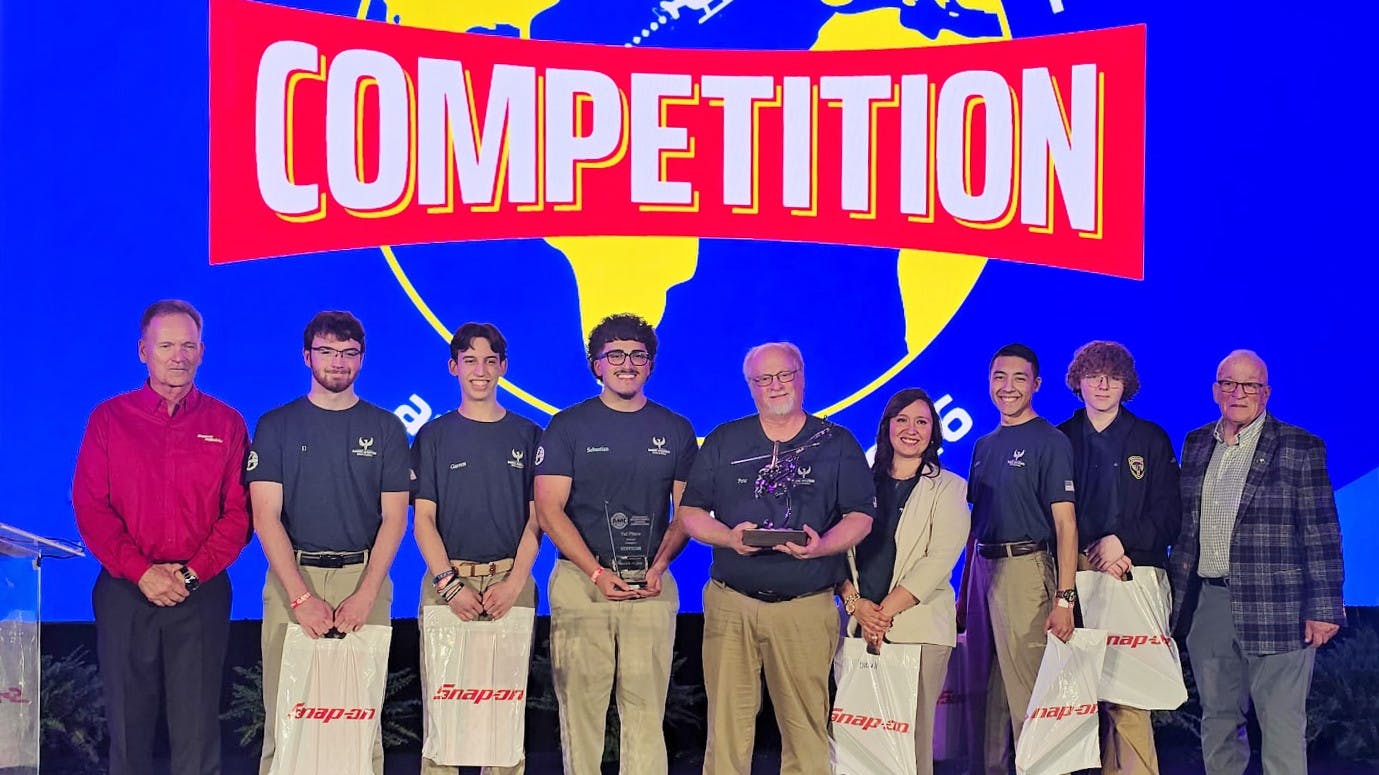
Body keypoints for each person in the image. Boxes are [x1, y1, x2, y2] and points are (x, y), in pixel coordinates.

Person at [679, 342, 875, 775]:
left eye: (784, 375)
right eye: (764, 379)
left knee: (806, 734)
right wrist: (729, 538)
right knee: (726, 731)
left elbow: (861, 516)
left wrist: (821, 546)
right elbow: (690, 513)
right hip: (732, 604)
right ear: (750, 387)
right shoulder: (725, 439)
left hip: (805, 608)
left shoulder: (837, 443)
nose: (775, 386)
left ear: (802, 377)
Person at [73, 299, 251, 775]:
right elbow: (91, 508)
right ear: (142, 351)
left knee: (197, 734)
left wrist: (190, 574)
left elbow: (239, 514)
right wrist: (142, 572)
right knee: (128, 733)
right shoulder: (109, 420)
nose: (178, 355)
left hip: (202, 593)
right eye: (166, 345)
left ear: (202, 352)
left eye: (188, 346)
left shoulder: (227, 423)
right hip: (125, 592)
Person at [533, 313, 698, 775]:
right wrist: (596, 573)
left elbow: (686, 512)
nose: (627, 364)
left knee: (646, 713)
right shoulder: (567, 426)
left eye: (638, 356)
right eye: (615, 355)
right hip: (582, 582)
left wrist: (660, 564)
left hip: (651, 582)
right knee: (581, 713)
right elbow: (549, 509)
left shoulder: (677, 429)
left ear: (650, 365)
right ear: (596, 365)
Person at [246, 311, 411, 775]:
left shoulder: (386, 428)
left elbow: (394, 519)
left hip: (365, 577)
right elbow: (265, 516)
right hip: (292, 578)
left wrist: (366, 594)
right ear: (306, 357)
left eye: (348, 353)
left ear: (361, 359)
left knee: (361, 719)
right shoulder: (277, 425)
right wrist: (300, 598)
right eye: (327, 352)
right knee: (287, 716)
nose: (338, 363)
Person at [1169, 349, 1344, 775]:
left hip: (1279, 609)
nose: (1238, 393)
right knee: (1218, 724)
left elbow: (1322, 532)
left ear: (1266, 393)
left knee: (1282, 728)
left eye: (1250, 385)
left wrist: (1323, 609)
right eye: (1229, 383)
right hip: (1208, 605)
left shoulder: (1301, 447)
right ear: (1215, 391)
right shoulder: (1195, 444)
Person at [412, 322, 542, 775]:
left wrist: (514, 583)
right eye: (470, 361)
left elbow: (537, 520)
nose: (480, 371)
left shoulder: (529, 435)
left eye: (490, 361)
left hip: (511, 584)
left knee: (503, 719)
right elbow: (423, 520)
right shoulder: (433, 436)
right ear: (453, 368)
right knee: (444, 716)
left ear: (503, 368)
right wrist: (449, 586)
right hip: (450, 585)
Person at [1057, 340, 1181, 775]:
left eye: (1112, 375)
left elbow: (1169, 515)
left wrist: (1121, 544)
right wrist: (1095, 553)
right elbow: (1053, 512)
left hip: (1135, 574)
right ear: (1079, 382)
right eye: (1093, 375)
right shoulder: (1062, 438)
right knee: (1081, 696)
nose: (1103, 384)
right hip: (1075, 577)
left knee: (1130, 700)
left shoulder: (1150, 437)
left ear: (1126, 381)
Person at [960, 343, 1078, 775]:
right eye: (999, 377)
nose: (1007, 387)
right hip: (982, 573)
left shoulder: (1051, 441)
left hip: (1026, 570)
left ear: (1036, 385)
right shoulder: (984, 445)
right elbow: (976, 524)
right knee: (985, 694)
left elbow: (1066, 526)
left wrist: (1064, 599)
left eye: (1018, 378)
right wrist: (963, 593)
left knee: (1027, 697)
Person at [840, 388, 969, 775]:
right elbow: (838, 554)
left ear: (933, 432)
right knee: (860, 744)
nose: (911, 429)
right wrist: (857, 607)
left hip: (919, 629)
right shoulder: (858, 484)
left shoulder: (950, 487)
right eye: (902, 420)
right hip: (858, 627)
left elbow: (939, 561)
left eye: (922, 421)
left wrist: (881, 616)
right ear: (887, 427)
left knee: (910, 744)